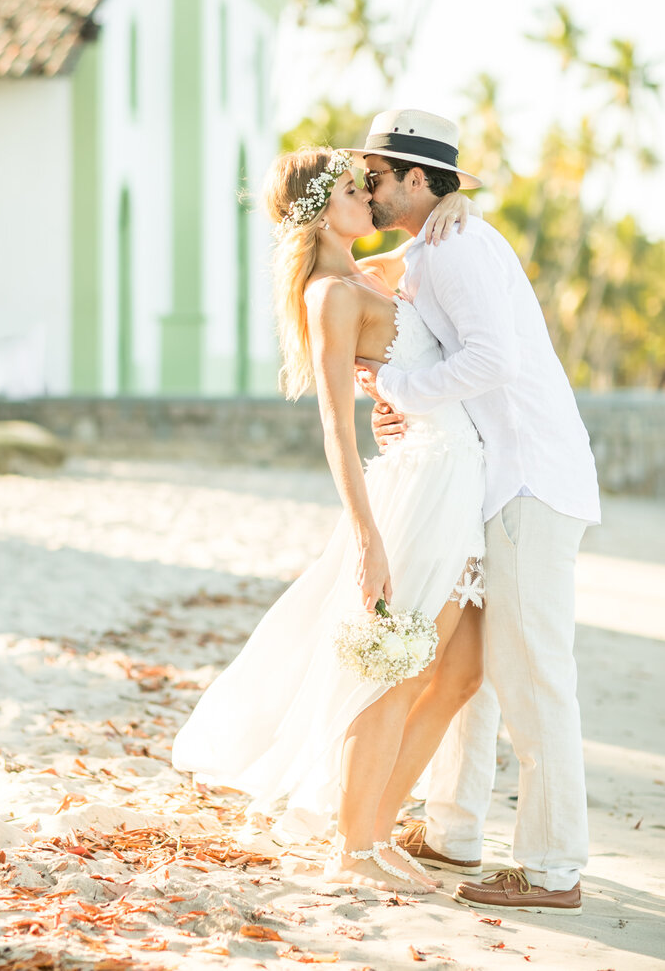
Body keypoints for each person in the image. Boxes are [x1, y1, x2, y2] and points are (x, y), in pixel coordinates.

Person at [172, 144, 488, 894]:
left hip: (456, 480)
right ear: (318, 211)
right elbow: (335, 429)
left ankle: (372, 822)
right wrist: (366, 539)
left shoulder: (373, 275)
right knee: (392, 670)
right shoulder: (329, 295)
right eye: (352, 190)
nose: (367, 200)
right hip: (415, 491)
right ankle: (358, 841)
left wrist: (453, 203)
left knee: (462, 671)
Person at [353, 108, 601, 915]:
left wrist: (394, 392)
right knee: (480, 674)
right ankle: (456, 828)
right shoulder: (438, 242)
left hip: (528, 481)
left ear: (417, 180)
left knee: (532, 678)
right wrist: (401, 400)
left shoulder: (455, 244)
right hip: (496, 483)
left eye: (378, 176)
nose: (367, 187)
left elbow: (491, 358)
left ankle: (552, 866)